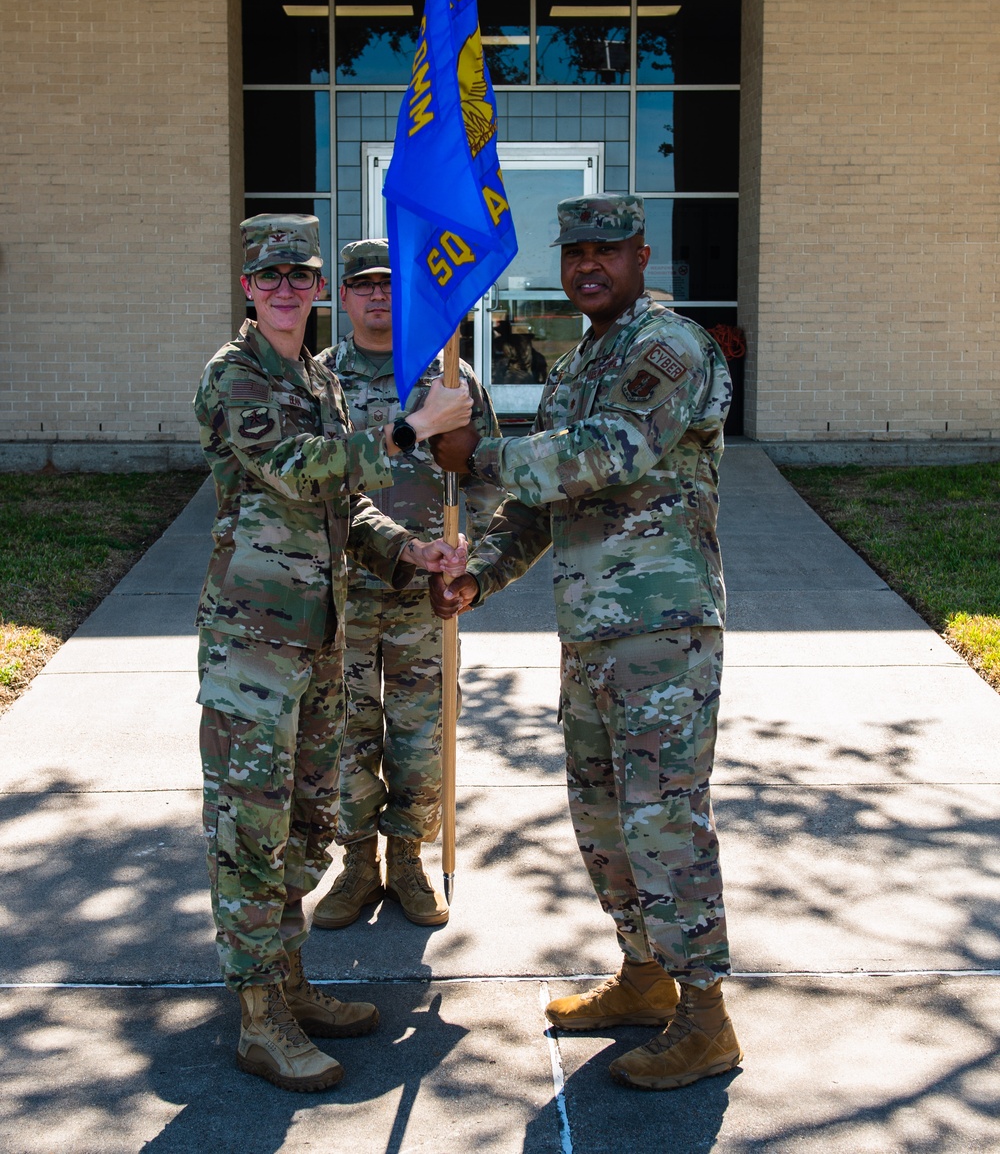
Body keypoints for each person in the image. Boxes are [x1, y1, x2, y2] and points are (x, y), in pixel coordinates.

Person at [428, 193, 742, 1092]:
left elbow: (609, 453)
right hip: (592, 636)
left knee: (665, 820)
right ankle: (645, 977)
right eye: (574, 254)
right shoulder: (576, 367)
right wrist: (478, 573)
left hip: (662, 632)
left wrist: (474, 456)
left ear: (643, 256)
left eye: (606, 251)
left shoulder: (668, 347)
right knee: (604, 818)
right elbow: (539, 502)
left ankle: (707, 1015)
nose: (587, 266)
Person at [194, 213, 471, 1093]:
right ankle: (257, 1017)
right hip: (253, 641)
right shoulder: (234, 377)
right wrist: (409, 431)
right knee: (249, 831)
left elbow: (343, 507)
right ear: (248, 289)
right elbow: (304, 468)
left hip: (319, 633)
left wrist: (406, 548)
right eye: (269, 277)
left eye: (299, 275)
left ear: (318, 289)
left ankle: (289, 980)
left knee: (306, 824)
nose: (285, 289)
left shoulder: (317, 376)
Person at [310, 239, 501, 931]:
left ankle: (409, 859)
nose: (378, 296)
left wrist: (466, 545)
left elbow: (487, 475)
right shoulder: (319, 380)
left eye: (390, 285)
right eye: (364, 286)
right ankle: (357, 861)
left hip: (427, 595)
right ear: (343, 295)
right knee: (345, 736)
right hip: (344, 589)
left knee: (422, 737)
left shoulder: (448, 377)